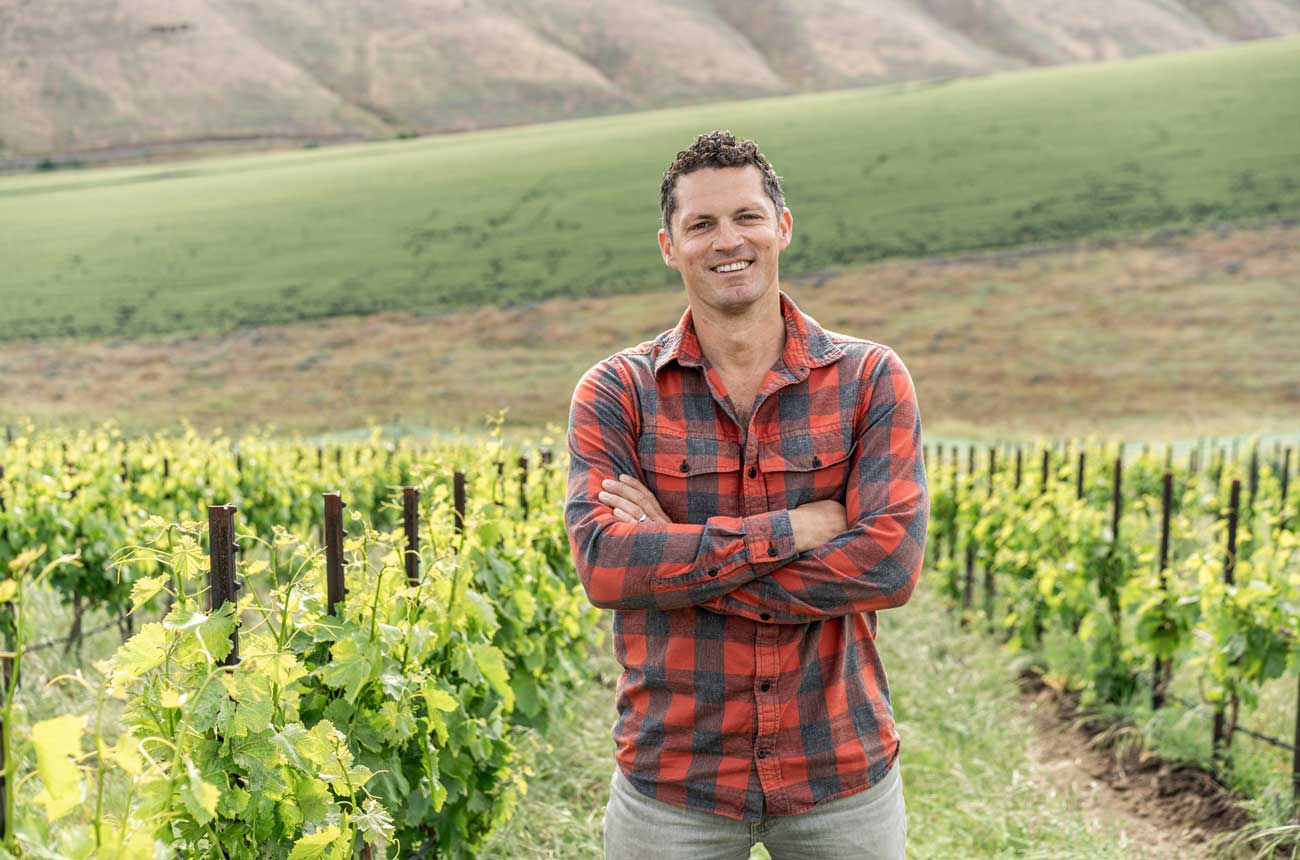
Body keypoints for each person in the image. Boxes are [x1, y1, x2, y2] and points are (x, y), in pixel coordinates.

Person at [563, 130, 928, 860]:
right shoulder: (616, 392)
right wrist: (795, 529)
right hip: (674, 779)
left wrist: (677, 560)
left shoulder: (869, 379)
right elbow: (607, 567)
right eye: (700, 224)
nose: (728, 240)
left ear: (782, 227)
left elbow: (889, 567)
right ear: (669, 246)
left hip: (840, 772)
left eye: (747, 217)